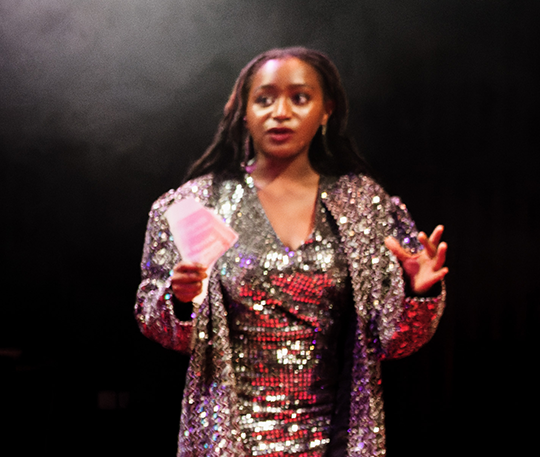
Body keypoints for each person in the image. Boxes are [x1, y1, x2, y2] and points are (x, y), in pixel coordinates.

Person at [135, 47, 448, 457]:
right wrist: (179, 300)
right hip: (229, 438)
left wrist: (417, 294)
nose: (280, 112)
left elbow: (393, 342)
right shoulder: (196, 204)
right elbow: (162, 327)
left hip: (335, 438)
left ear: (326, 110)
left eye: (299, 98)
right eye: (264, 99)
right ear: (243, 112)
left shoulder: (363, 205)